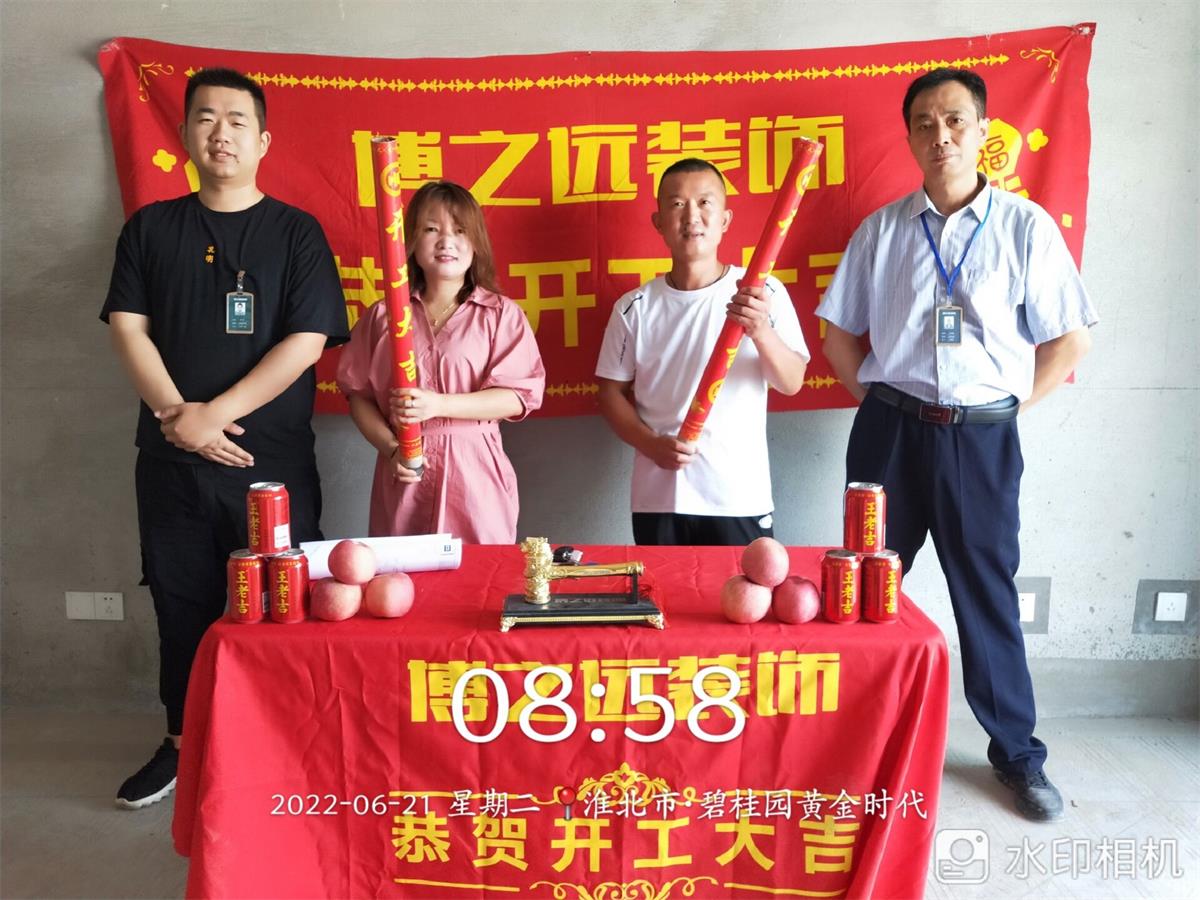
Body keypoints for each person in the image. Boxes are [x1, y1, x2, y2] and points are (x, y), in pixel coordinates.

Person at [817, 68, 1096, 821]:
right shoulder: (882, 230)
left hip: (981, 440)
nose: (939, 136)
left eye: (953, 121)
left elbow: (1069, 341)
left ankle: (1017, 756)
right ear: (909, 137)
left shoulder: (1025, 228)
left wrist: (1003, 410)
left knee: (986, 594)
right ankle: (853, 744)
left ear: (983, 131)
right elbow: (837, 332)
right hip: (889, 435)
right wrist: (879, 404)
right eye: (923, 124)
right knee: (865, 588)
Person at [101, 68, 349, 808]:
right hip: (170, 462)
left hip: (270, 465)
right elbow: (129, 329)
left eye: (238, 121)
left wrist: (215, 415)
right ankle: (184, 743)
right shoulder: (150, 229)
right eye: (205, 118)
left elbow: (307, 341)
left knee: (283, 607)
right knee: (180, 603)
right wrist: (181, 417)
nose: (221, 133)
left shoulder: (297, 233)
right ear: (184, 135)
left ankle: (286, 745)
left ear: (263, 141)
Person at [595, 158, 810, 546]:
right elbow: (610, 394)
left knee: (743, 588)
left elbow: (792, 381)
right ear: (659, 222)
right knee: (662, 588)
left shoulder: (762, 292)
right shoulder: (635, 307)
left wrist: (760, 330)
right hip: (659, 498)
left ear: (725, 219)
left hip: (737, 498)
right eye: (677, 204)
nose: (691, 216)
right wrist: (651, 445)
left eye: (705, 202)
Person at [336, 180, 544, 543]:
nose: (446, 241)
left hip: (475, 472)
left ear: (476, 242)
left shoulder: (499, 314)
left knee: (481, 570)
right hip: (406, 470)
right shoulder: (384, 316)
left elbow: (517, 397)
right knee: (402, 573)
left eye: (460, 231)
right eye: (431, 229)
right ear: (411, 242)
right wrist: (391, 449)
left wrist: (438, 404)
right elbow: (359, 396)